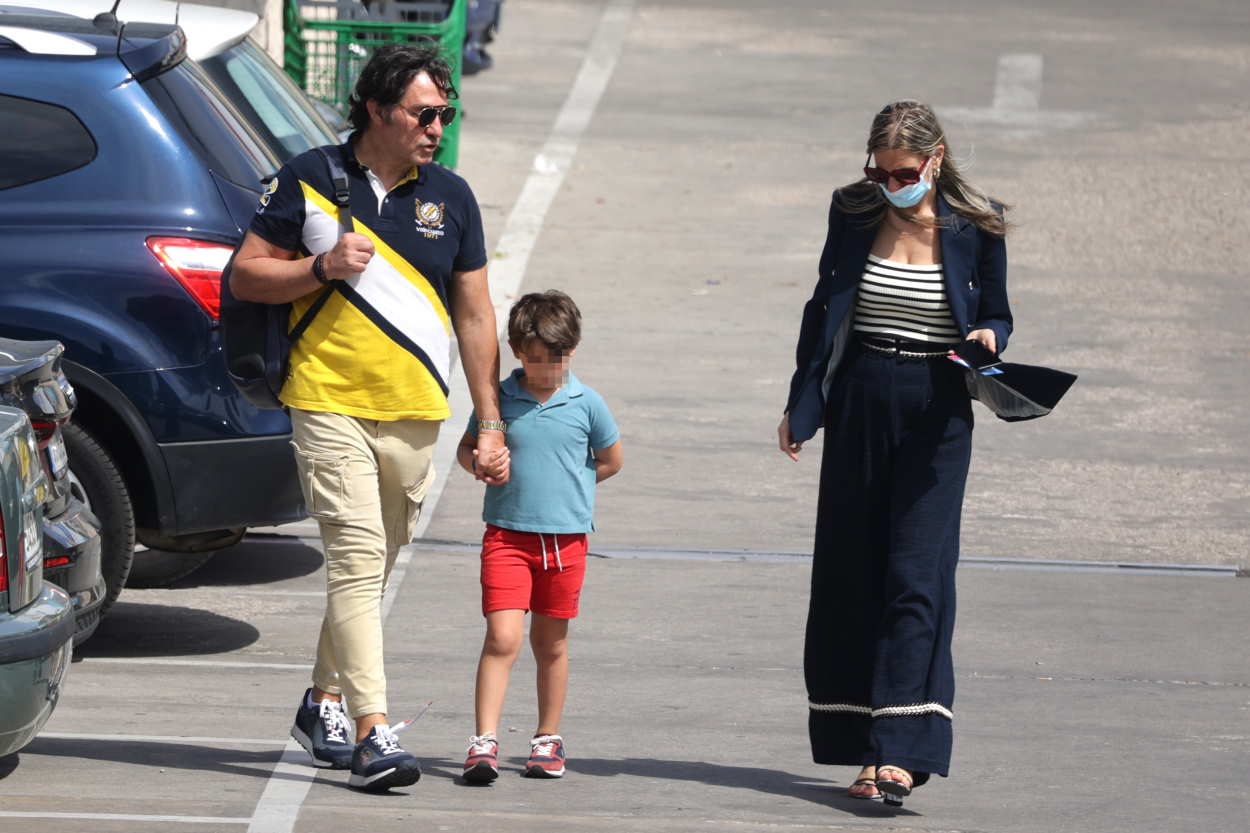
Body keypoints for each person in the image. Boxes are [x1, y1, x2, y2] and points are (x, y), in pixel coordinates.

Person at [230, 43, 509, 793]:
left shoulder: (451, 196)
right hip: (325, 399)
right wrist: (318, 267)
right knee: (355, 560)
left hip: (416, 409)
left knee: (373, 568)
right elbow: (247, 274)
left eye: (445, 114)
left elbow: (476, 313)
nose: (438, 127)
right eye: (424, 114)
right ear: (379, 111)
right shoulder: (312, 180)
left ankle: (320, 699)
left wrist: (489, 419)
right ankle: (373, 731)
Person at [776, 100, 1013, 805]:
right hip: (861, 398)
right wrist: (802, 398)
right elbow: (824, 308)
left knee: (917, 574)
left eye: (902, 171)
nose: (888, 183)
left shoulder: (978, 224)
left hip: (937, 404)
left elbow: (998, 310)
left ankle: (900, 749)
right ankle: (863, 744)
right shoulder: (852, 212)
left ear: (935, 160)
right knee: (853, 570)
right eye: (877, 171)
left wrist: (991, 339)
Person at [455, 290, 622, 783]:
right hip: (507, 537)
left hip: (567, 543)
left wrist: (573, 489)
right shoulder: (499, 400)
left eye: (558, 360)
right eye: (536, 360)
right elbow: (469, 450)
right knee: (502, 637)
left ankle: (547, 738)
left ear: (572, 351)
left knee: (550, 644)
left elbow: (610, 460)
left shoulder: (587, 403)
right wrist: (480, 466)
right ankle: (483, 742)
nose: (548, 370)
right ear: (515, 350)